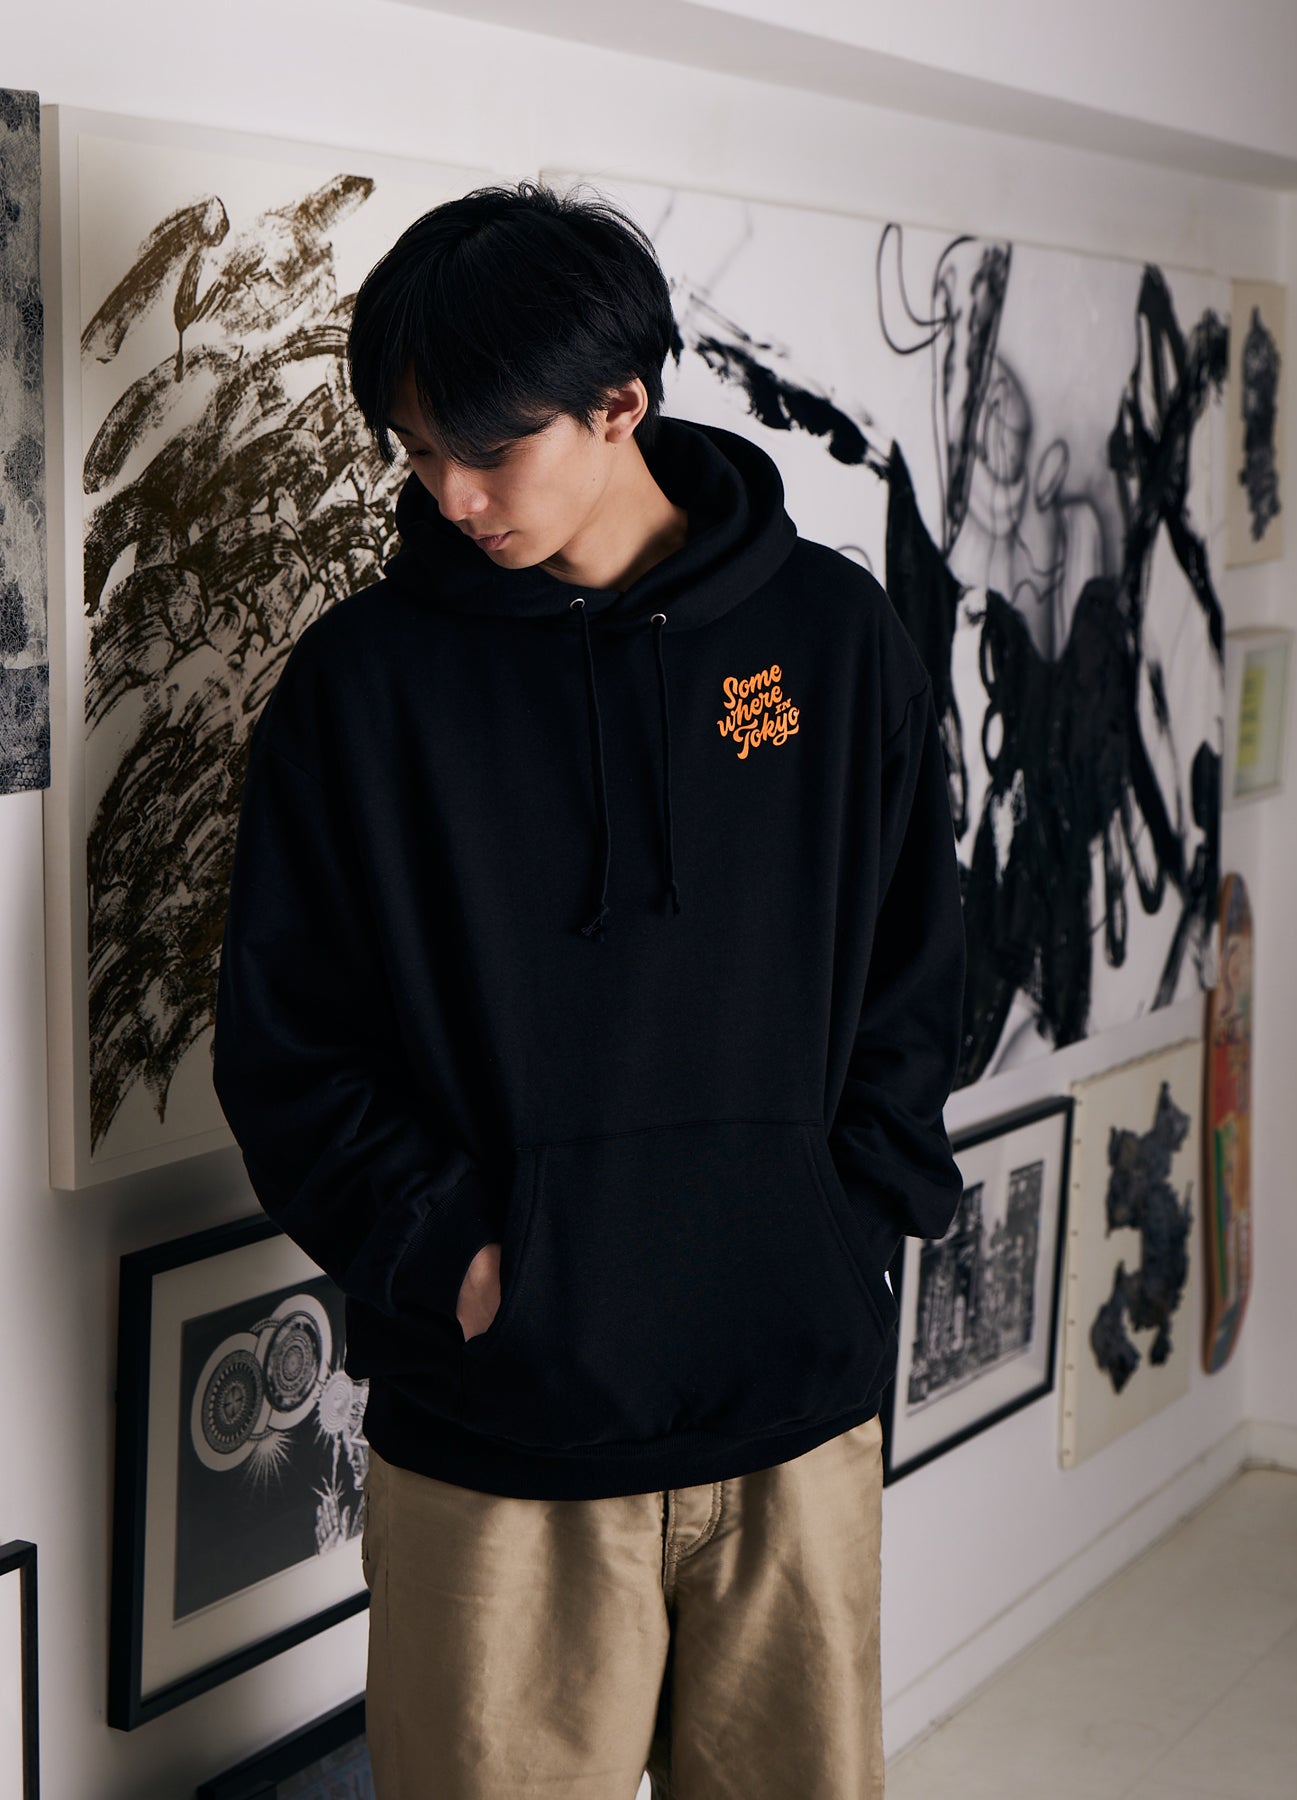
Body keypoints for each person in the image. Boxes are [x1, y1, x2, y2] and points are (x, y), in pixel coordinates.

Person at [211, 179, 965, 1800]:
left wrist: (837, 1227)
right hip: (499, 1444)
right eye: (418, 449)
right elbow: (287, 1050)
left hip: (795, 1418)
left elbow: (922, 975)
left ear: (622, 404)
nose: (451, 492)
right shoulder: (363, 690)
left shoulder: (835, 641)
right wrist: (466, 1266)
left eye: (490, 447)